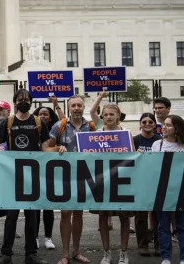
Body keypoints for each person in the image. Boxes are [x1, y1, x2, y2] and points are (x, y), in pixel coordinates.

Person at [0, 89, 48, 264]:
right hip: (12, 176)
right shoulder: (8, 122)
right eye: (20, 99)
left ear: (31, 102)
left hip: (32, 176)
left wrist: (59, 149)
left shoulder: (38, 122)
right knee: (11, 216)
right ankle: (6, 254)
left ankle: (31, 254)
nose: (24, 101)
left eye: (27, 99)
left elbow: (46, 147)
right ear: (15, 102)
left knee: (32, 216)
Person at [42, 96, 95, 264]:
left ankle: (76, 251)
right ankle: (65, 254)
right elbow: (45, 149)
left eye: (79, 105)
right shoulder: (59, 126)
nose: (77, 108)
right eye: (73, 105)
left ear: (84, 107)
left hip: (83, 175)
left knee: (79, 214)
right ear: (69, 107)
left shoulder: (91, 127)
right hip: (64, 177)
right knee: (65, 214)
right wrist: (57, 148)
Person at [152, 115, 184, 264]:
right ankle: (166, 258)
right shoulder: (157, 145)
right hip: (162, 191)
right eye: (164, 124)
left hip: (182, 191)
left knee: (183, 225)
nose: (164, 127)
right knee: (163, 226)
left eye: (168, 125)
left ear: (177, 128)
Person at [96, 103, 132, 264]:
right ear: (102, 116)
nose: (109, 117)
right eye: (106, 114)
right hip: (102, 180)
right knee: (103, 215)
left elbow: (133, 157)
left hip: (122, 179)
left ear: (118, 115)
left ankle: (123, 252)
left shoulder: (126, 133)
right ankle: (106, 252)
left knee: (124, 216)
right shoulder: (96, 134)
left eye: (112, 114)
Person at [132, 113, 161, 257]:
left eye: (150, 122)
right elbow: (128, 159)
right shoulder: (135, 140)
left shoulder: (160, 141)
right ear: (140, 124)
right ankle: (143, 245)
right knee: (141, 216)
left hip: (156, 182)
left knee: (157, 215)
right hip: (140, 182)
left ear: (155, 124)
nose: (147, 124)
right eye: (144, 122)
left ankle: (158, 244)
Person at [35, 106, 58, 252]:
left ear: (50, 117)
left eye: (45, 114)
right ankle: (35, 237)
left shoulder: (55, 131)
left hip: (50, 172)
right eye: (39, 114)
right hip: (34, 171)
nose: (42, 116)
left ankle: (48, 237)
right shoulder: (31, 129)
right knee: (35, 207)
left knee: (48, 206)